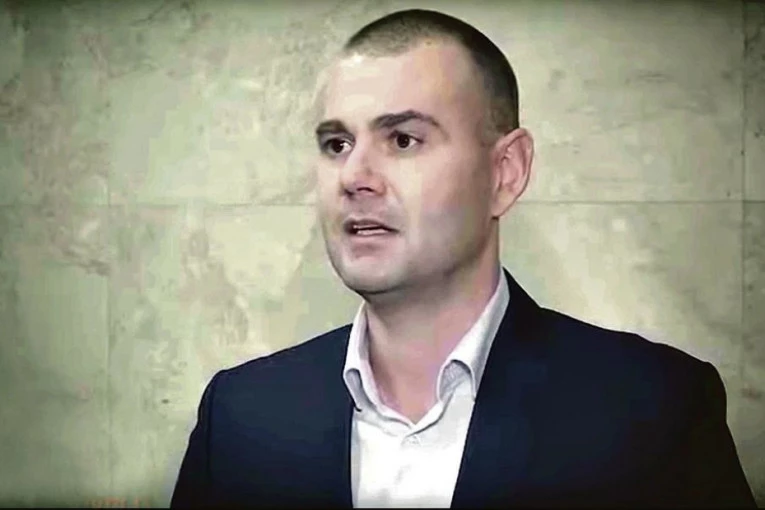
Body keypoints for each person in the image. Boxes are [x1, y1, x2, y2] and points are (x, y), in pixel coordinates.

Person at [170, 9, 756, 508]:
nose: (353, 176)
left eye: (403, 139)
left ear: (505, 173)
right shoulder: (240, 418)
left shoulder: (653, 412)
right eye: (337, 144)